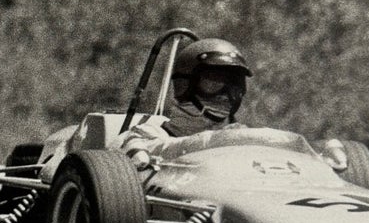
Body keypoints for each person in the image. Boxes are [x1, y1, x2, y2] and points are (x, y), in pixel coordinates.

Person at [121, 37, 347, 178]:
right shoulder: (150, 134)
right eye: (214, 82)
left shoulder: (242, 136)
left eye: (234, 86)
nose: (226, 95)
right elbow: (129, 157)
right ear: (186, 84)